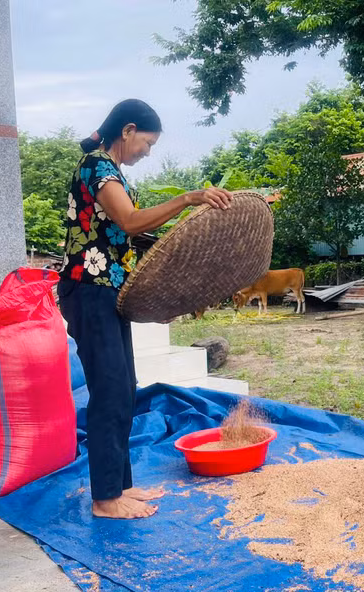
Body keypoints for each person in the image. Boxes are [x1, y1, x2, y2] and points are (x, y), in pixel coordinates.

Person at [57, 99, 233, 519]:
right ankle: (104, 499)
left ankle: (120, 486)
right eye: (147, 144)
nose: (146, 152)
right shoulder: (96, 166)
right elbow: (133, 221)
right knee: (110, 392)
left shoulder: (113, 172)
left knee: (125, 387)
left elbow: (131, 241)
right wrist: (190, 198)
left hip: (109, 293)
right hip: (88, 289)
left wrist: (176, 292)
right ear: (128, 129)